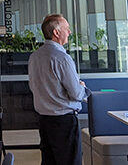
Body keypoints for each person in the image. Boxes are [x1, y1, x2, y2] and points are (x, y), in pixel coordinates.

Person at [28, 14, 90, 165]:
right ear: (56, 33)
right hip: (64, 122)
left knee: (49, 161)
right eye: (67, 29)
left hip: (44, 120)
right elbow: (76, 94)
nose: (69, 32)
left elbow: (33, 87)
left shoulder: (35, 56)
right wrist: (83, 88)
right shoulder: (62, 58)